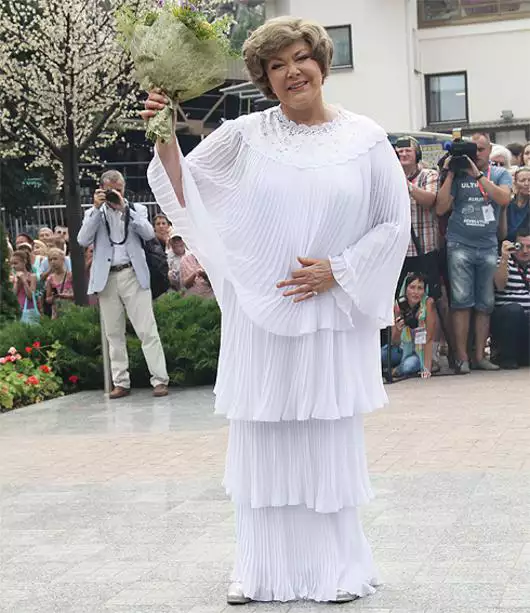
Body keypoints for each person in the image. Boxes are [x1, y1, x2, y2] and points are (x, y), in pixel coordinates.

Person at [143, 16, 410, 605]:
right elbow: (187, 190)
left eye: (300, 58)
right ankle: (258, 567)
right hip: (259, 318)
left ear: (322, 62)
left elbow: (394, 224)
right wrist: (164, 133)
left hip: (329, 317)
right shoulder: (244, 135)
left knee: (325, 443)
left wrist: (338, 269)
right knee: (262, 443)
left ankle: (336, 568)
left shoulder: (366, 139)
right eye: (276, 65)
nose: (292, 72)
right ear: (265, 78)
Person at [77, 169, 169, 399]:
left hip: (133, 275)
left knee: (147, 330)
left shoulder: (137, 210)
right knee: (113, 333)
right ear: (102, 189)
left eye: (119, 189)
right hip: (107, 278)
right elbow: (82, 239)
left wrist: (124, 209)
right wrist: (96, 209)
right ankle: (120, 382)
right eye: (111, 190)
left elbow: (148, 233)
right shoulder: (94, 213)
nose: (115, 194)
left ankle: (159, 380)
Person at [436, 133, 512, 374]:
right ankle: (462, 358)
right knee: (461, 302)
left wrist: (477, 175)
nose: (476, 154)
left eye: (480, 149)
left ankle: (480, 356)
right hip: (460, 244)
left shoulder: (498, 173)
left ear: (489, 150)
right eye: (473, 149)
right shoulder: (457, 174)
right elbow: (441, 208)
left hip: (488, 245)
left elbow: (504, 199)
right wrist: (450, 173)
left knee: (485, 303)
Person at [395, 136, 441, 299]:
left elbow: (429, 200)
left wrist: (405, 184)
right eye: (400, 151)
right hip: (399, 251)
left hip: (425, 248)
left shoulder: (429, 175)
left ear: (417, 154)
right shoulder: (389, 176)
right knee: (399, 298)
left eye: (408, 150)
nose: (403, 154)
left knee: (430, 298)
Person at [381, 273, 436, 379]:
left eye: (420, 288)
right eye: (412, 287)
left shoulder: (428, 303)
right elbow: (394, 342)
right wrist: (398, 329)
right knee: (381, 355)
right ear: (406, 289)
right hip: (401, 349)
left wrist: (426, 369)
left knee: (408, 366)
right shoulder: (399, 304)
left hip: (419, 352)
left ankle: (395, 370)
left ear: (424, 290)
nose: (415, 292)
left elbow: (429, 338)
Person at [492, 230, 530, 369]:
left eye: (529, 247)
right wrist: (504, 257)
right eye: (520, 246)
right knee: (514, 311)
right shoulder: (502, 262)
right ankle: (507, 357)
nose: (525, 251)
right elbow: (500, 285)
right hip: (506, 319)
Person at [45, 248, 74, 319]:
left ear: (63, 260)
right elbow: (47, 299)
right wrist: (53, 297)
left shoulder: (70, 276)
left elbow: (79, 295)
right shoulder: (50, 279)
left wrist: (67, 296)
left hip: (71, 310)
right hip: (57, 312)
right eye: (50, 260)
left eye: (55, 259)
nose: (53, 262)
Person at [10, 249, 37, 320]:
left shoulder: (32, 276)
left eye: (15, 263)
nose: (13, 266)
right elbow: (13, 295)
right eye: (11, 264)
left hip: (28, 308)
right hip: (16, 309)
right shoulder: (13, 278)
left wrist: (24, 280)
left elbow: (30, 296)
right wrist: (16, 282)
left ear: (24, 262)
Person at [505, 167, 530, 242]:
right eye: (522, 180)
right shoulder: (507, 204)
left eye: (529, 180)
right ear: (515, 184)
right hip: (507, 243)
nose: (527, 183)